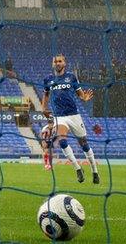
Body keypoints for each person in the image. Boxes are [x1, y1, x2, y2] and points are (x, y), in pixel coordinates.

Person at [42, 54, 99, 184]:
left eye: (60, 61)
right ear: (53, 64)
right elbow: (45, 95)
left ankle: (94, 171)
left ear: (64, 63)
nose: (57, 63)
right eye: (55, 61)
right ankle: (78, 169)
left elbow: (80, 94)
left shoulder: (71, 77)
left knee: (84, 144)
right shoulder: (48, 79)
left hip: (74, 115)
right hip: (59, 116)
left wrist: (84, 97)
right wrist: (44, 108)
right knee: (62, 141)